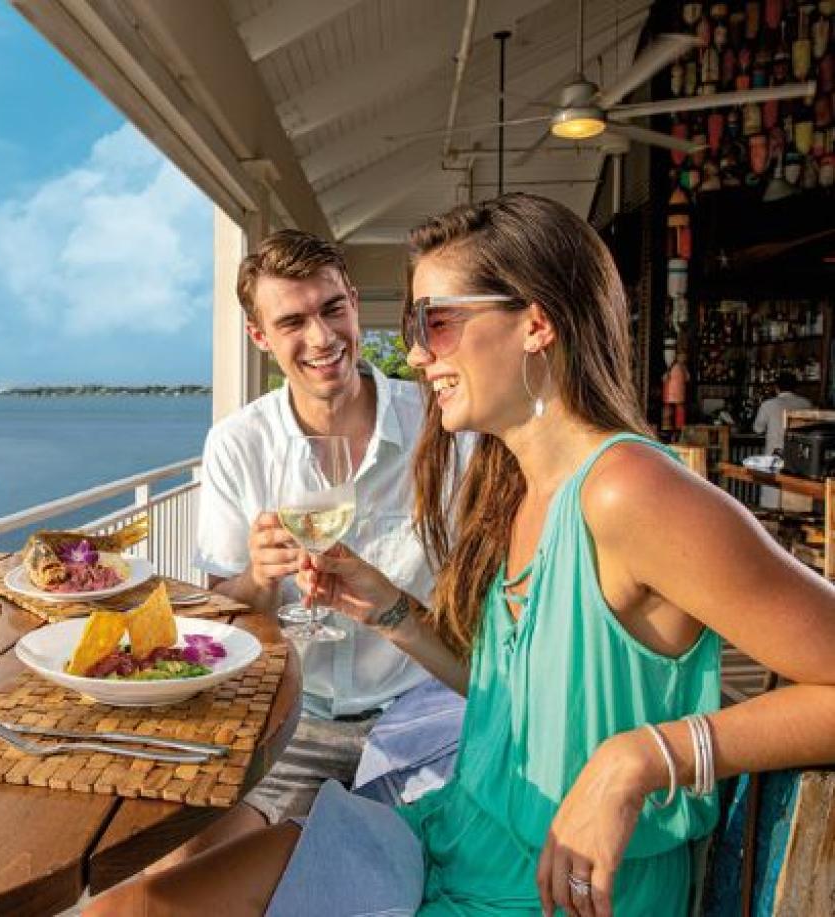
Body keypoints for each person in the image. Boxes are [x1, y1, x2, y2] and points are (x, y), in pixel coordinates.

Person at [88, 194, 835, 916]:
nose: (414, 353)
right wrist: (389, 608)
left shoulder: (628, 491)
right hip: (451, 833)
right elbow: (508, 698)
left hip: (542, 887)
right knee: (128, 907)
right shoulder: (517, 482)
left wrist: (641, 757)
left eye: (435, 322)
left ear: (536, 322)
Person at [185, 229, 466, 850]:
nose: (321, 338)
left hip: (422, 714)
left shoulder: (441, 427)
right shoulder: (239, 445)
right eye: (292, 321)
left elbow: (483, 602)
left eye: (332, 309)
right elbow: (220, 625)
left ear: (355, 304)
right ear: (260, 338)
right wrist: (258, 579)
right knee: (183, 869)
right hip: (294, 723)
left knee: (423, 874)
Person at [753, 370, 813, 509]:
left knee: (771, 500)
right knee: (796, 502)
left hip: (774, 455)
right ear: (796, 387)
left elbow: (758, 429)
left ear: (776, 387)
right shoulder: (806, 403)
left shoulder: (769, 405)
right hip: (800, 458)